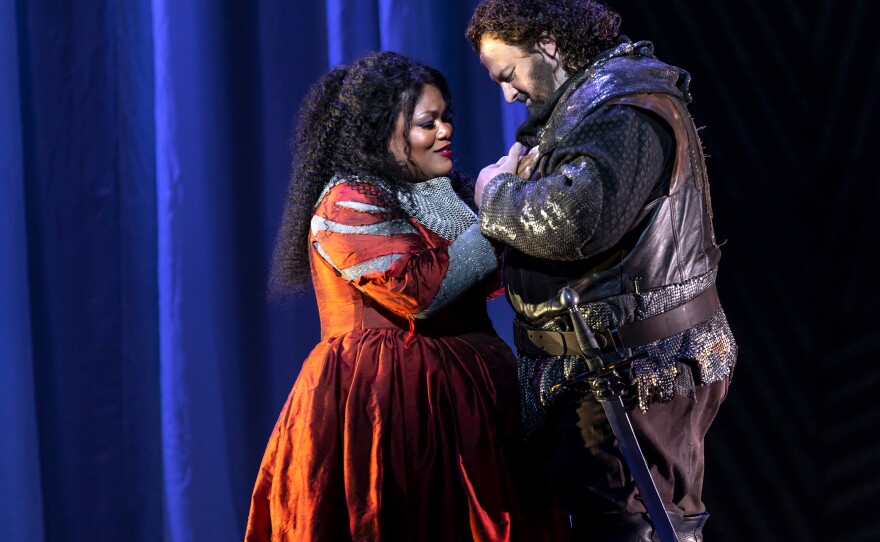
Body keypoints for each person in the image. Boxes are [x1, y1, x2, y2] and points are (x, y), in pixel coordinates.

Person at [245, 51, 566, 542]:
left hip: (467, 401)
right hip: (383, 405)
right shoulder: (348, 199)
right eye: (426, 122)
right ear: (381, 133)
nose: (445, 131)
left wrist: (513, 197)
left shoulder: (439, 195)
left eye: (446, 118)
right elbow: (418, 291)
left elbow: (486, 276)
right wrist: (496, 209)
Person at [465, 1, 738, 540]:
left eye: (509, 73)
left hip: (630, 371)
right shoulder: (586, 109)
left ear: (546, 42)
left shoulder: (623, 111)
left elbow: (571, 220)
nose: (508, 94)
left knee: (634, 521)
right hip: (602, 372)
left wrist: (493, 191)